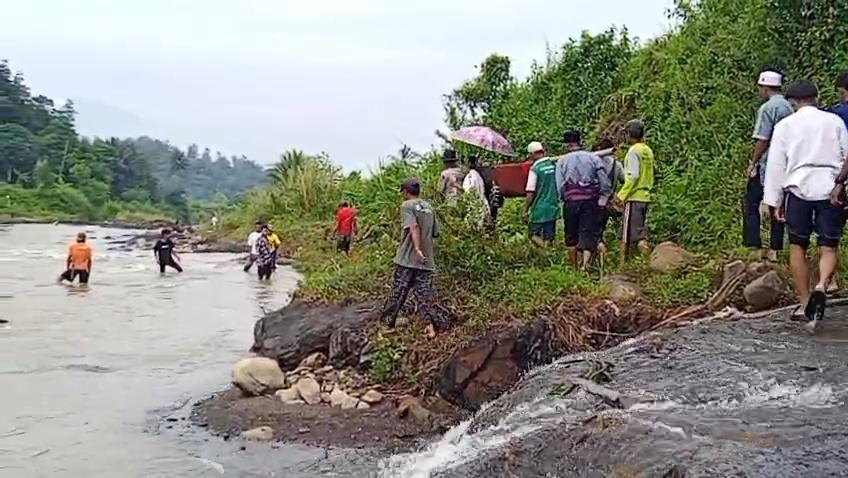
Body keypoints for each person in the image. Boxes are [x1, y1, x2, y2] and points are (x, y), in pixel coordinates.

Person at [765, 79, 848, 330]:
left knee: (798, 246)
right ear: (817, 98)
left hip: (798, 188)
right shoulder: (834, 121)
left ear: (792, 103)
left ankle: (803, 303)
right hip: (830, 187)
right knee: (828, 246)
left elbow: (776, 164)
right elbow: (847, 154)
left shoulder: (785, 126)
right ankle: (823, 284)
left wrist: (773, 200)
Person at [380, 178, 455, 337]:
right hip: (426, 261)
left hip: (407, 259)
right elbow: (436, 233)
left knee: (398, 291)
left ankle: (387, 326)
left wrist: (417, 249)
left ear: (406, 192)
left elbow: (413, 226)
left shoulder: (406, 206)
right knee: (424, 294)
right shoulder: (429, 207)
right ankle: (430, 326)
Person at [744, 70, 794, 262]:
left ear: (765, 87)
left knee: (750, 204)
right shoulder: (789, 107)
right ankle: (775, 248)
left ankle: (753, 246)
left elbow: (762, 139)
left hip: (767, 165)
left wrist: (753, 162)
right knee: (777, 205)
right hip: (786, 164)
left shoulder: (768, 108)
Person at [555, 130, 612, 269]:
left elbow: (560, 186)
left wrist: (564, 198)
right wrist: (603, 198)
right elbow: (605, 183)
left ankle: (575, 269)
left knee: (571, 237)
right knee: (588, 234)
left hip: (571, 202)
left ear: (566, 145)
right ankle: (585, 266)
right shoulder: (594, 158)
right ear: (581, 142)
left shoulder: (562, 161)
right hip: (590, 201)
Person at [618, 119, 655, 262]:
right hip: (645, 196)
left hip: (634, 197)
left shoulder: (633, 151)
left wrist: (621, 196)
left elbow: (633, 176)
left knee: (626, 235)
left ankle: (624, 265)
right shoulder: (647, 150)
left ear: (629, 134)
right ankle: (640, 262)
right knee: (640, 231)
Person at [522, 141, 559, 245]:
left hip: (539, 209)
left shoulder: (535, 169)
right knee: (549, 237)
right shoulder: (553, 166)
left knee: (533, 234)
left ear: (533, 154)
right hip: (552, 206)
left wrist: (525, 210)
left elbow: (530, 192)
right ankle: (548, 254)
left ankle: (545, 251)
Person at [593, 138, 625, 253]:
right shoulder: (617, 165)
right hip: (609, 203)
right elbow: (624, 180)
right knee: (602, 230)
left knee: (594, 234)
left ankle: (599, 259)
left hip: (594, 203)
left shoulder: (593, 162)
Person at [462, 156, 491, 227]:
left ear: (468, 164)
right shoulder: (478, 176)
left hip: (475, 208)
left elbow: (468, 193)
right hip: (484, 205)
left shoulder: (470, 177)